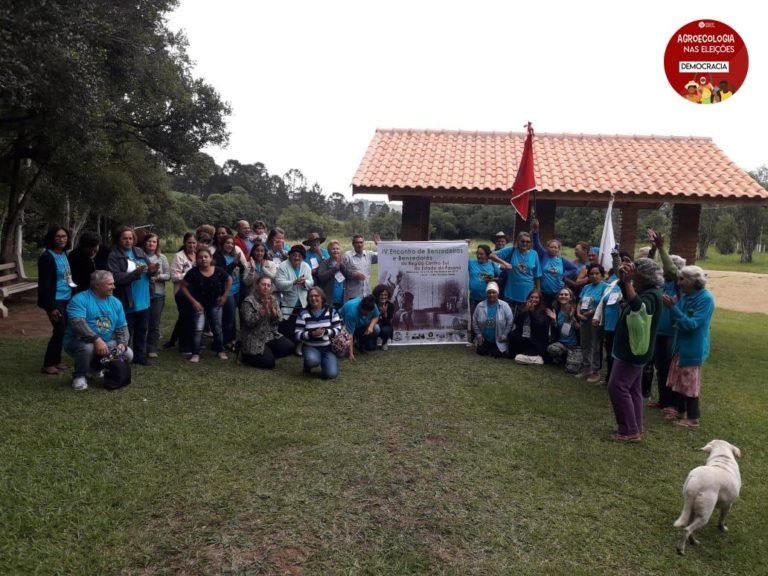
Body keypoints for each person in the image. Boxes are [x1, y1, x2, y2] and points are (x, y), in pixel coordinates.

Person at [607, 258, 664, 443]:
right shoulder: (648, 291)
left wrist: (628, 282)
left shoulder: (652, 295)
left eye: (635, 271)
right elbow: (630, 296)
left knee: (617, 386)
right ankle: (635, 426)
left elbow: (639, 308)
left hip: (633, 350)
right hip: (634, 348)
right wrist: (625, 280)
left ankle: (629, 430)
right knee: (633, 389)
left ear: (643, 276)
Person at [664, 266, 716, 428]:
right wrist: (673, 308)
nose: (678, 283)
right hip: (680, 345)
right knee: (679, 379)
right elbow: (677, 319)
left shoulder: (705, 299)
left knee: (690, 383)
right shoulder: (685, 296)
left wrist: (673, 308)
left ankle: (693, 418)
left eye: (682, 279)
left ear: (694, 281)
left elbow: (691, 324)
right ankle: (680, 410)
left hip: (693, 347)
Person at [64, 270, 133, 391]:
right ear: (97, 285)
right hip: (77, 342)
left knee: (127, 353)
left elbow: (121, 327)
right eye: (110, 284)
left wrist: (122, 343)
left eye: (113, 283)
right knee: (87, 348)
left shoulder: (116, 302)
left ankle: (94, 370)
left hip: (105, 343)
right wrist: (96, 339)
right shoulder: (79, 299)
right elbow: (77, 322)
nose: (114, 287)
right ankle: (79, 376)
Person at [108, 226, 156, 366]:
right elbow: (115, 278)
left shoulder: (139, 251)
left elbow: (148, 269)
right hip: (127, 299)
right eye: (125, 238)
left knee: (142, 330)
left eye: (130, 238)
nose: (128, 241)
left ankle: (139, 356)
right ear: (118, 239)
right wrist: (136, 273)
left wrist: (152, 270)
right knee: (126, 332)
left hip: (144, 299)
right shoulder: (114, 256)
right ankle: (122, 357)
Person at [179, 247, 231, 363]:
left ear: (211, 258)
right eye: (200, 257)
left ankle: (220, 350)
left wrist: (224, 296)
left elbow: (229, 280)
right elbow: (183, 287)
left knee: (217, 328)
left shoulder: (218, 271)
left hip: (215, 304)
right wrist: (193, 301)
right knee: (198, 329)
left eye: (206, 257)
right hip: (199, 305)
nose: (203, 259)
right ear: (196, 259)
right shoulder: (192, 273)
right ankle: (195, 353)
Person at [38, 225, 74, 375]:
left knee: (64, 330)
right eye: (58, 236)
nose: (61, 239)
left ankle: (57, 360)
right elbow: (45, 285)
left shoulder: (64, 253)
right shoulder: (47, 257)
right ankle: (48, 364)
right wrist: (51, 307)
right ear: (52, 238)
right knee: (59, 330)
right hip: (55, 300)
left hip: (67, 297)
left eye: (64, 236)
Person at [240, 276, 294, 369]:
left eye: (268, 285)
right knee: (269, 364)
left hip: (270, 335)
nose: (266, 287)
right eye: (263, 284)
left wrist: (274, 314)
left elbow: (280, 319)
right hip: (254, 337)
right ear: (257, 286)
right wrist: (262, 311)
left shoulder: (273, 299)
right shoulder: (248, 301)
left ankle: (266, 353)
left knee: (290, 347)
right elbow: (249, 323)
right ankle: (246, 356)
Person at [295, 286, 343, 379]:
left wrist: (326, 331)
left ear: (322, 297)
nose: (313, 298)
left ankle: (328, 362)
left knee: (331, 375)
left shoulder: (332, 311)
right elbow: (297, 334)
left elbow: (338, 330)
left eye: (316, 296)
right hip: (310, 346)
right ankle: (309, 363)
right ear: (308, 299)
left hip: (328, 348)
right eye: (311, 296)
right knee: (312, 361)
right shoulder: (303, 313)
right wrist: (311, 334)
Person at [530, 218, 577, 309]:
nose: (553, 249)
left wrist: (564, 275)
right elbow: (536, 244)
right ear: (547, 248)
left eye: (556, 248)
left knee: (555, 312)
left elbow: (574, 269)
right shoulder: (544, 255)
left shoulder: (562, 260)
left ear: (559, 249)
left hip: (558, 293)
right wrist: (535, 231)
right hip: (543, 292)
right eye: (551, 247)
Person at [489, 231, 541, 314]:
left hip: (527, 293)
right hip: (510, 293)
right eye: (522, 241)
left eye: (528, 242)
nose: (525, 243)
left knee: (523, 321)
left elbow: (537, 275)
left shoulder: (534, 254)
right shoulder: (511, 250)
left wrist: (538, 291)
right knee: (507, 318)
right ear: (518, 241)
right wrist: (504, 263)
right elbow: (491, 255)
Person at [275, 244, 314, 351]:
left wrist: (304, 282)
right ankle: (288, 345)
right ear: (290, 255)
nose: (297, 258)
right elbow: (279, 283)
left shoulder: (306, 266)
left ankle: (299, 345)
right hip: (287, 302)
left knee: (301, 325)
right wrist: (293, 282)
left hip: (302, 302)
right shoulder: (283, 265)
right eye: (294, 255)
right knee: (288, 326)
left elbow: (311, 283)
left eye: (300, 256)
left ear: (303, 258)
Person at [165, 232, 197, 352]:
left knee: (187, 317)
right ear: (184, 243)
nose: (192, 245)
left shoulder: (197, 255)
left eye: (194, 243)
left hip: (195, 292)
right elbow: (174, 276)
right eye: (189, 243)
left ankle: (176, 341)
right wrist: (190, 274)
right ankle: (184, 346)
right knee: (186, 318)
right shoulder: (179, 256)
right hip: (181, 292)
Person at [576, 264, 608, 383]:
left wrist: (590, 313)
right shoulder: (586, 287)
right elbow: (579, 302)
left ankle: (595, 371)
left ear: (602, 275)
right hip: (583, 319)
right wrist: (578, 313)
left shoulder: (605, 287)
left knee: (595, 344)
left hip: (595, 320)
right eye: (591, 274)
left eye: (596, 273)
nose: (594, 276)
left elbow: (602, 304)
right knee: (585, 344)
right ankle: (586, 368)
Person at [141, 233, 170, 359]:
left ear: (157, 244)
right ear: (144, 243)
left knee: (154, 322)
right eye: (149, 241)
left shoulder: (162, 257)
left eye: (154, 242)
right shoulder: (139, 257)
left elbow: (168, 275)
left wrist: (158, 276)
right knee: (142, 322)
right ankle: (140, 346)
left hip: (158, 294)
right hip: (142, 293)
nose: (151, 244)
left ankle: (152, 347)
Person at [214, 234, 245, 350]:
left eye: (232, 243)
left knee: (233, 318)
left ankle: (231, 340)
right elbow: (221, 274)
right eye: (227, 243)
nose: (230, 245)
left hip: (237, 289)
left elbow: (241, 270)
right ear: (222, 244)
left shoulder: (233, 256)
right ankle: (223, 341)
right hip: (228, 291)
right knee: (229, 317)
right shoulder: (218, 256)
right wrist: (234, 264)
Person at [471, 282, 514, 358]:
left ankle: (497, 347)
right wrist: (479, 335)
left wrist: (505, 335)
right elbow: (474, 322)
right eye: (489, 292)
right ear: (486, 294)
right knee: (481, 352)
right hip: (485, 338)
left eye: (494, 292)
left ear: (497, 293)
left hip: (499, 338)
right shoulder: (480, 305)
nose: (491, 295)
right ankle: (487, 345)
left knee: (496, 354)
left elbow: (510, 322)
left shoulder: (505, 306)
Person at [508, 289, 550, 365]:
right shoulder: (524, 307)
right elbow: (516, 321)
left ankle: (536, 358)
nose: (533, 299)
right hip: (524, 335)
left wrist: (531, 312)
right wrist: (525, 311)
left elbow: (539, 326)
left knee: (529, 351)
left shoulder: (544, 311)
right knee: (512, 335)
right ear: (528, 298)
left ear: (540, 300)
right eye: (531, 297)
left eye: (536, 298)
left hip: (536, 339)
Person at [468, 244, 500, 344]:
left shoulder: (492, 265)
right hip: (474, 297)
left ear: (487, 255)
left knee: (486, 319)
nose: (479, 256)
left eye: (481, 254)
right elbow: (460, 258)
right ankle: (474, 338)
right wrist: (467, 246)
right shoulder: (471, 263)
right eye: (477, 254)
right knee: (474, 318)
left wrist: (493, 279)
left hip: (489, 298)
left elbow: (500, 277)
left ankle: (487, 338)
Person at [546, 287, 581, 370]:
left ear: (571, 297)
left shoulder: (576, 311)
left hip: (574, 346)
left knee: (571, 370)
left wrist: (572, 317)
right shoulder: (556, 311)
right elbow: (556, 330)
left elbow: (579, 329)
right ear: (558, 297)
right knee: (552, 349)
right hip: (562, 344)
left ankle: (572, 358)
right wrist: (554, 320)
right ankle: (562, 358)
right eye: (561, 294)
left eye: (566, 295)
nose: (563, 296)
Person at [339, 294, 380, 359]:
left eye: (368, 313)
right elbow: (350, 334)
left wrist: (371, 327)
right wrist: (351, 354)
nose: (367, 315)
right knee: (341, 354)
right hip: (343, 326)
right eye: (365, 313)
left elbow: (376, 316)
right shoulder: (351, 312)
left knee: (376, 328)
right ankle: (349, 346)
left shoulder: (372, 305)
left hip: (359, 326)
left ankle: (358, 344)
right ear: (360, 307)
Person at [68, 231, 109, 295]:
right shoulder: (74, 256)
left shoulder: (105, 252)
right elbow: (72, 278)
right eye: (89, 249)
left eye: (95, 248)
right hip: (83, 292)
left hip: (103, 289)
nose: (92, 252)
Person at [342, 233, 380, 300]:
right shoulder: (347, 256)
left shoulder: (369, 254)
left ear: (363, 243)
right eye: (357, 243)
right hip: (353, 294)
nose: (359, 245)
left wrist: (379, 244)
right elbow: (342, 270)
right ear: (353, 244)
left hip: (367, 294)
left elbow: (382, 256)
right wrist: (353, 275)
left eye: (361, 242)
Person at [315, 239, 345, 311]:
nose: (335, 251)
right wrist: (334, 269)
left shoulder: (344, 262)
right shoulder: (324, 263)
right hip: (329, 298)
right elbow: (321, 277)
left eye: (337, 249)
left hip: (343, 298)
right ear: (329, 251)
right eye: (333, 249)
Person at [372, 284, 394, 350]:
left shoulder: (390, 305)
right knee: (370, 348)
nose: (383, 297)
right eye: (381, 295)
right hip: (374, 326)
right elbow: (370, 319)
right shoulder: (373, 304)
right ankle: (373, 340)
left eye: (385, 295)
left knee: (386, 330)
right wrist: (380, 313)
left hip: (384, 325)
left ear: (388, 296)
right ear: (377, 295)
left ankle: (384, 342)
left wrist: (384, 313)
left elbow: (387, 322)